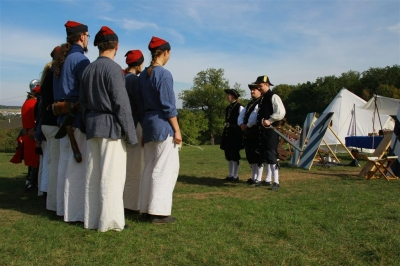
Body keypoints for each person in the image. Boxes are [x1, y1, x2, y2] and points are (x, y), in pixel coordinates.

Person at [80, 26, 137, 232]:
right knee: (112, 177)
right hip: (111, 126)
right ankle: (112, 222)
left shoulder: (88, 69)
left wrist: (87, 122)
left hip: (93, 125)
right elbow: (121, 104)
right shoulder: (113, 69)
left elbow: (83, 102)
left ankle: (93, 220)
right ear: (116, 45)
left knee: (93, 176)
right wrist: (130, 135)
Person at [138, 36, 182, 224]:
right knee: (164, 169)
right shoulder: (163, 74)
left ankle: (146, 207)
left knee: (149, 167)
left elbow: (139, 105)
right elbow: (168, 105)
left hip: (147, 123)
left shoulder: (142, 76)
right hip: (162, 125)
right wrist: (177, 129)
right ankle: (159, 212)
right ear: (165, 53)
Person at [53, 20, 90, 221]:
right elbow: (90, 89)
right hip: (75, 117)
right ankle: (75, 213)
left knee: (66, 164)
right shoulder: (80, 59)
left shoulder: (63, 58)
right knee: (78, 165)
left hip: (63, 116)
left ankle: (62, 208)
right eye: (87, 36)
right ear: (82, 36)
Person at [254, 75, 286, 191]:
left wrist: (270, 120)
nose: (259, 88)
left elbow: (281, 112)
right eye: (258, 86)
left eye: (260, 85)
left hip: (271, 131)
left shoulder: (274, 96)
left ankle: (276, 181)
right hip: (263, 131)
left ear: (267, 85)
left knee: (272, 155)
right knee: (265, 155)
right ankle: (267, 180)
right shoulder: (262, 99)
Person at [123, 50, 145, 212]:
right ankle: (131, 204)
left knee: (127, 165)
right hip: (135, 123)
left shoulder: (121, 79)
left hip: (123, 124)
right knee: (135, 166)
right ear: (138, 65)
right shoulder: (135, 81)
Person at [39, 46, 61, 211]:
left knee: (50, 161)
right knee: (55, 163)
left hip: (46, 123)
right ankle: (52, 200)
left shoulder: (49, 74)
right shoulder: (55, 75)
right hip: (53, 123)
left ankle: (48, 193)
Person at [238, 83, 263, 185]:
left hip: (256, 131)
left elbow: (254, 116)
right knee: (251, 155)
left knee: (257, 155)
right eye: (251, 90)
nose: (252, 92)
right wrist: (241, 124)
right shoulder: (249, 104)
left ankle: (259, 178)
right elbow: (241, 115)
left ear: (260, 91)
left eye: (254, 90)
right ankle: (253, 177)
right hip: (249, 131)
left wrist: (247, 125)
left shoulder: (261, 102)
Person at [220, 89, 244, 182]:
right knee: (228, 155)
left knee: (234, 155)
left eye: (228, 95)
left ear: (233, 96)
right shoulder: (228, 108)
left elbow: (241, 121)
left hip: (235, 133)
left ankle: (235, 175)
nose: (227, 97)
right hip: (228, 133)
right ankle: (230, 175)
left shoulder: (240, 107)